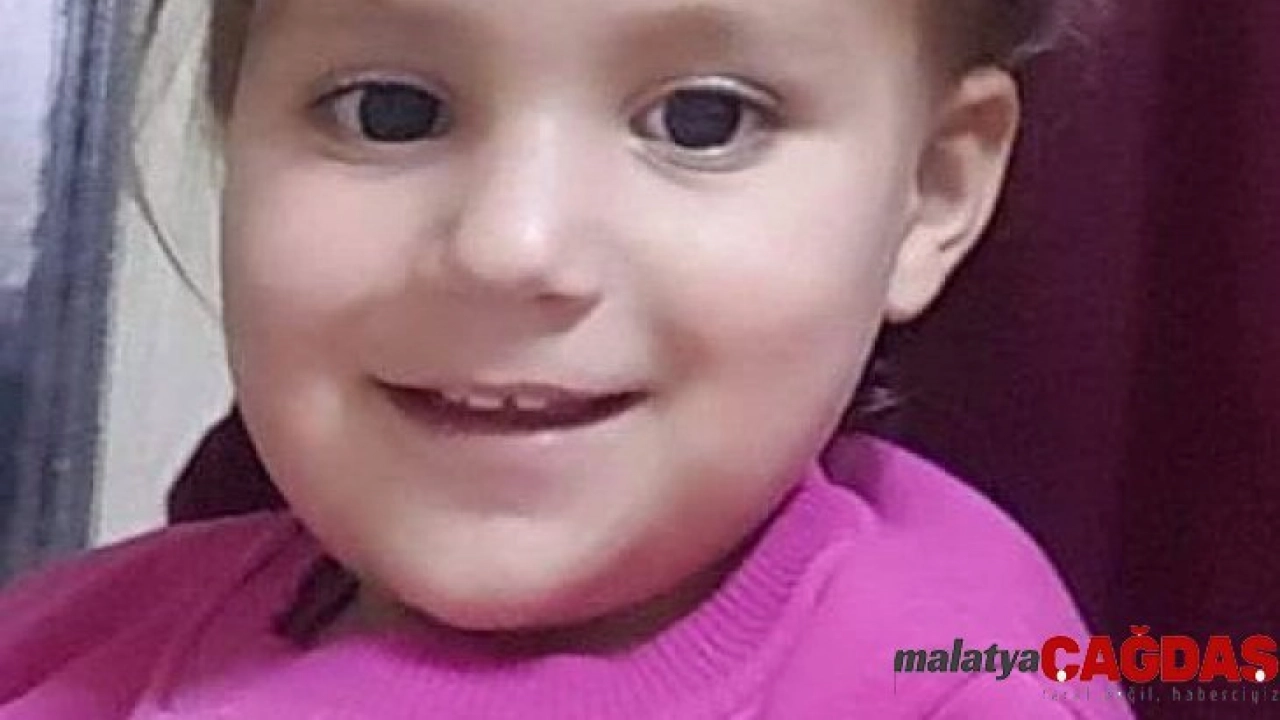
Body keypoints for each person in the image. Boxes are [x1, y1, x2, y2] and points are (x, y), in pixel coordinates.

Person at [0, 0, 1134, 717]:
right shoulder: (61, 641)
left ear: (930, 191)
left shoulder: (943, 683)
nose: (511, 245)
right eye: (388, 111)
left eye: (702, 121)